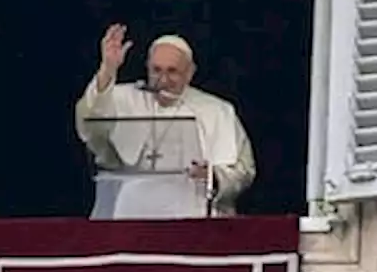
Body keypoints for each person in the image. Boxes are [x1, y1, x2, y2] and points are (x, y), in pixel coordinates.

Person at [74, 26, 256, 217]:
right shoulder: (122, 98)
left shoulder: (217, 110)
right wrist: (108, 69)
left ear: (190, 73)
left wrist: (214, 176)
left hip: (194, 215)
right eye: (156, 70)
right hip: (131, 213)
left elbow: (244, 170)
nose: (163, 80)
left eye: (172, 71)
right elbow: (91, 125)